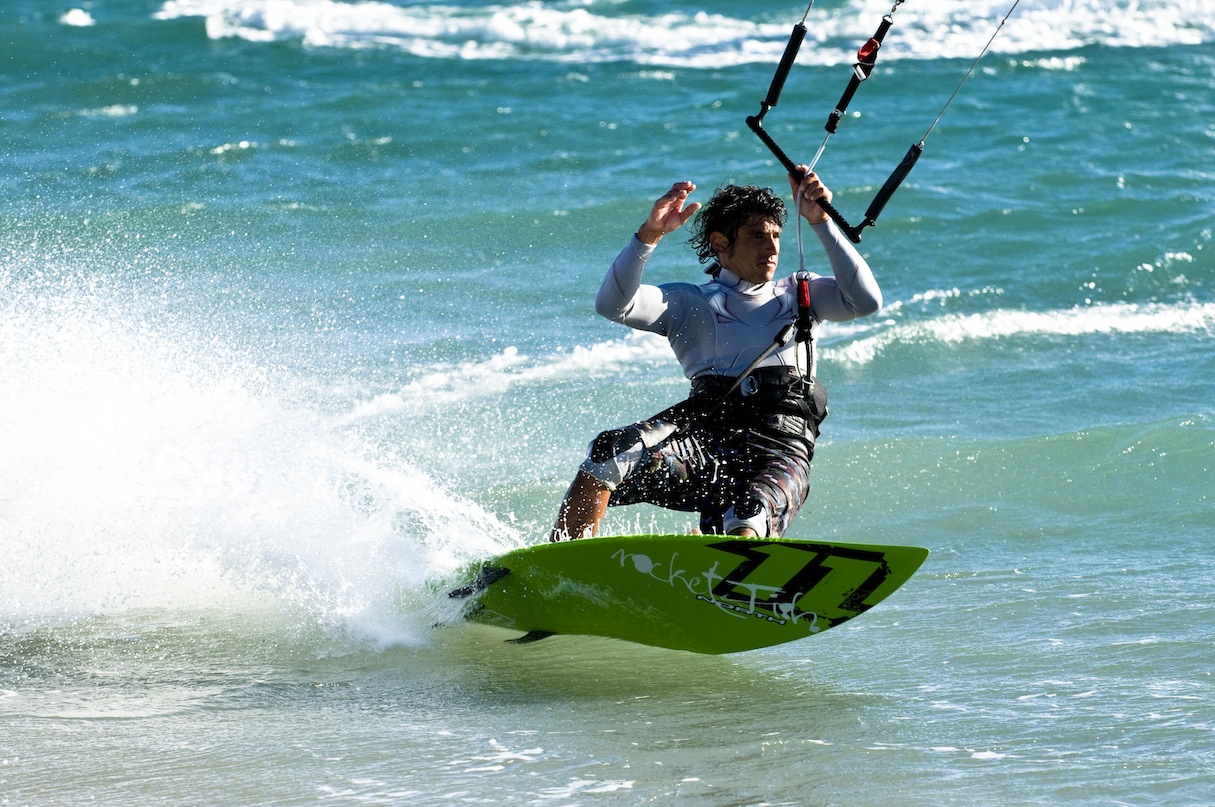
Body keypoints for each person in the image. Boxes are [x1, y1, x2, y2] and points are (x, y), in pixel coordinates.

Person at [548, 168, 882, 541]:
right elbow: (612, 305)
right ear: (721, 243)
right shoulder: (690, 303)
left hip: (780, 449)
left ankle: (725, 561)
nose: (771, 248)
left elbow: (866, 301)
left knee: (748, 514)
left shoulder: (800, 295)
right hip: (704, 446)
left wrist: (820, 221)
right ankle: (562, 559)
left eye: (776, 236)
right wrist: (649, 237)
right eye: (757, 236)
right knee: (608, 453)